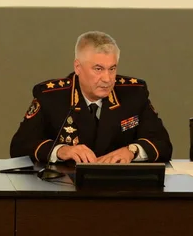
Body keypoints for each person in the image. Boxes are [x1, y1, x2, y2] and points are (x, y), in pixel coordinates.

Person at [10, 31, 172, 164]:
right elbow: (19, 147)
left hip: (122, 189)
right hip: (66, 189)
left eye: (112, 69)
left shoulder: (133, 93)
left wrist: (132, 151)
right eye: (98, 69)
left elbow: (163, 144)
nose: (107, 79)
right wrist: (61, 151)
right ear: (78, 67)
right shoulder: (51, 97)